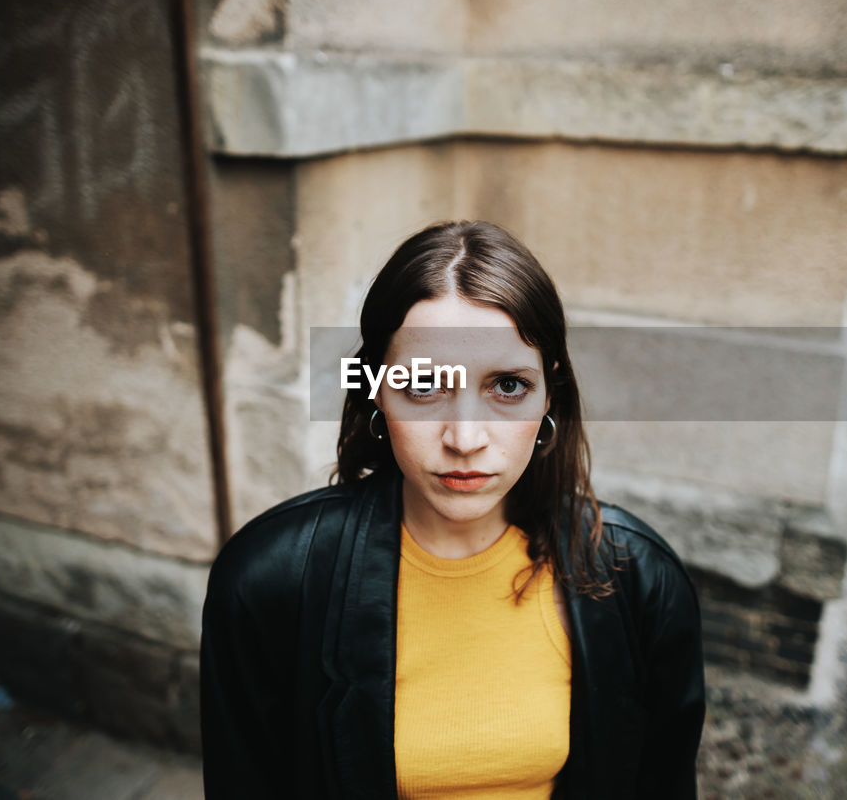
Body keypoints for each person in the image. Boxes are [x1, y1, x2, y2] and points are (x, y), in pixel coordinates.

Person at [200, 219, 706, 799]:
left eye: (508, 387)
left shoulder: (639, 579)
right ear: (375, 392)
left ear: (550, 395)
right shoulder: (268, 581)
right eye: (422, 385)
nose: (465, 438)